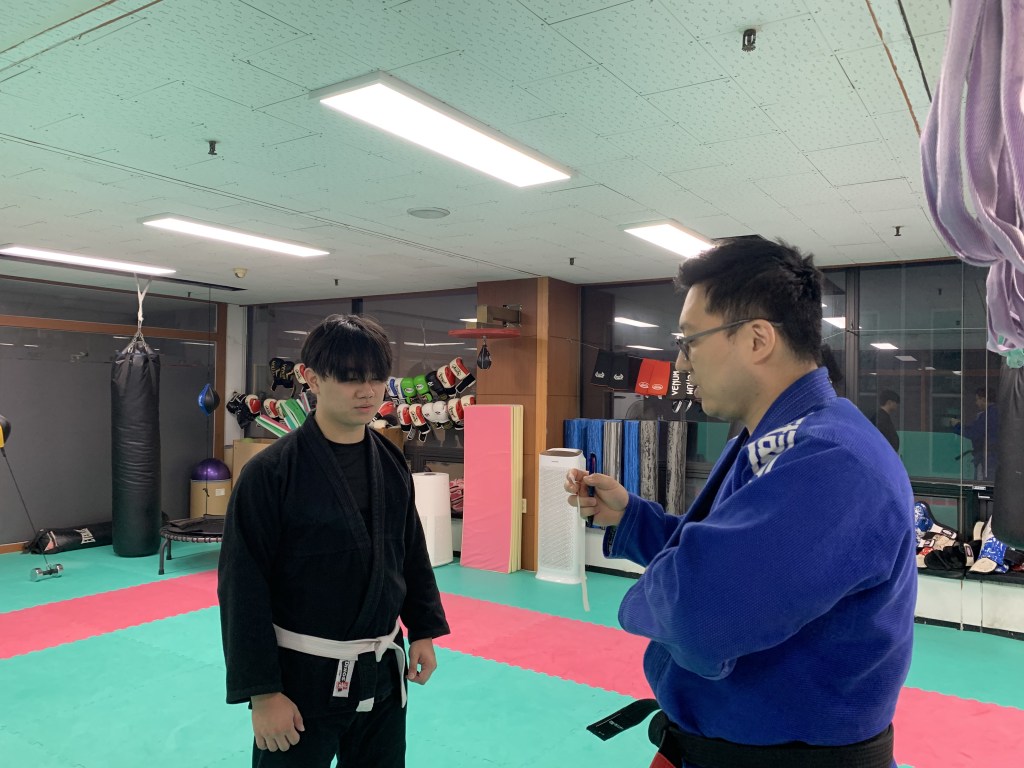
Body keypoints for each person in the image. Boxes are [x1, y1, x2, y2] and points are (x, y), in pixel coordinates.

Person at [566, 238, 915, 768]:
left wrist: (653, 595)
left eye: (690, 340)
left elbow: (698, 614)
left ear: (756, 339)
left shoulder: (831, 460)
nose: (681, 361)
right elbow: (722, 553)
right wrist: (632, 518)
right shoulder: (768, 440)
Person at [218, 314, 450, 768]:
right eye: (349, 378)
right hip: (300, 678)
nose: (367, 391)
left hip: (382, 669)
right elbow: (242, 586)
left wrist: (422, 629)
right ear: (311, 378)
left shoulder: (390, 461)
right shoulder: (270, 473)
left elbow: (409, 551)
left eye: (376, 378)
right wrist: (262, 693)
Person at [952, 387, 999, 481]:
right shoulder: (999, 412)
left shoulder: (987, 416)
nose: (976, 403)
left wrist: (957, 426)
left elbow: (973, 433)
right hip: (995, 457)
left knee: (983, 485)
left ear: (984, 399)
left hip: (988, 458)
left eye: (977, 399)